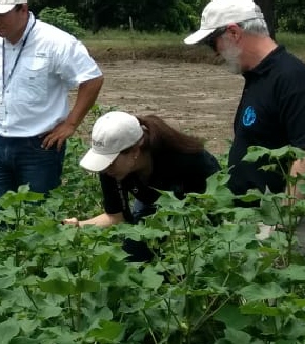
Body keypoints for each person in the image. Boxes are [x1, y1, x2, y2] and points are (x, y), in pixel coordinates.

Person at [184, 0, 305, 254]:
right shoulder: (259, 77)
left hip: (283, 227)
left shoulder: (294, 79)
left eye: (213, 43)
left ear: (234, 33)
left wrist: (282, 226)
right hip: (255, 222)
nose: (215, 53)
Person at [0, 0, 104, 199]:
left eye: (2, 14)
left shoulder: (55, 41)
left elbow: (92, 79)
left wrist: (70, 124)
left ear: (23, 9)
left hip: (40, 146)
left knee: (37, 215)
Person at [64, 111, 221, 261]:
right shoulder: (110, 168)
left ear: (135, 151)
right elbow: (116, 217)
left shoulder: (188, 161)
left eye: (110, 162)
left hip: (193, 212)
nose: (105, 169)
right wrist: (77, 226)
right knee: (132, 255)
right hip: (153, 206)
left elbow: (214, 210)